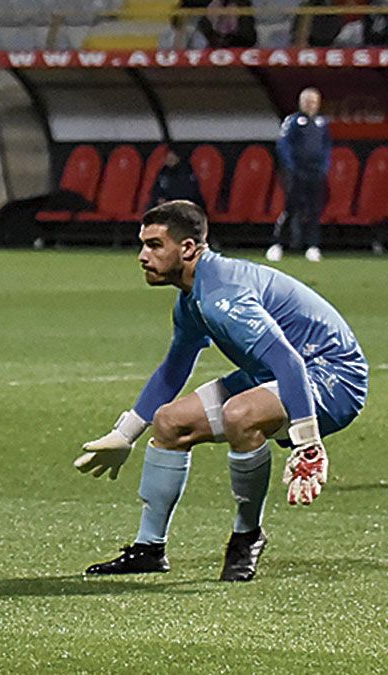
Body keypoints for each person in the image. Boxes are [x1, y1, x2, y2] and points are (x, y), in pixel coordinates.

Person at [75, 201, 367, 581]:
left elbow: (290, 363)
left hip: (332, 377)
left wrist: (307, 444)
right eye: (143, 245)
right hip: (274, 373)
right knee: (169, 423)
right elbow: (174, 368)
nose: (142, 256)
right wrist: (126, 433)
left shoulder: (222, 298)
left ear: (189, 249)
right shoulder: (193, 298)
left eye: (154, 246)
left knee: (240, 415)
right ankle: (149, 547)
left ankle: (247, 538)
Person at [269, 87, 331, 263]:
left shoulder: (322, 123)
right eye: (307, 101)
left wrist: (325, 166)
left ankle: (312, 246)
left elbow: (326, 146)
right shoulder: (293, 121)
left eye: (314, 101)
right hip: (296, 172)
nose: (311, 105)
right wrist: (290, 166)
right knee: (291, 208)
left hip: (316, 173)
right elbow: (283, 144)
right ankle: (277, 244)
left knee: (314, 210)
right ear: (301, 103)